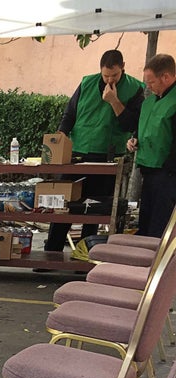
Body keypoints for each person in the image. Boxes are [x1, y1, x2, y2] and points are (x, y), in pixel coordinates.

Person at [44, 49, 145, 253]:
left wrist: (114, 101)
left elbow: (131, 125)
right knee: (65, 206)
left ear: (123, 67)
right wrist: (61, 134)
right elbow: (70, 113)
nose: (109, 80)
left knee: (95, 209)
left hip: (108, 156)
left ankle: (84, 254)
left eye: (114, 75)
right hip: (77, 153)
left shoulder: (135, 88)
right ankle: (51, 251)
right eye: (105, 75)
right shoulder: (87, 83)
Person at [127, 53, 176, 238]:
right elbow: (146, 127)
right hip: (148, 169)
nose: (148, 86)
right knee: (146, 222)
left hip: (168, 173)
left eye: (152, 82)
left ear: (166, 77)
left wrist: (170, 171)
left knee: (160, 227)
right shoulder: (150, 101)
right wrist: (134, 139)